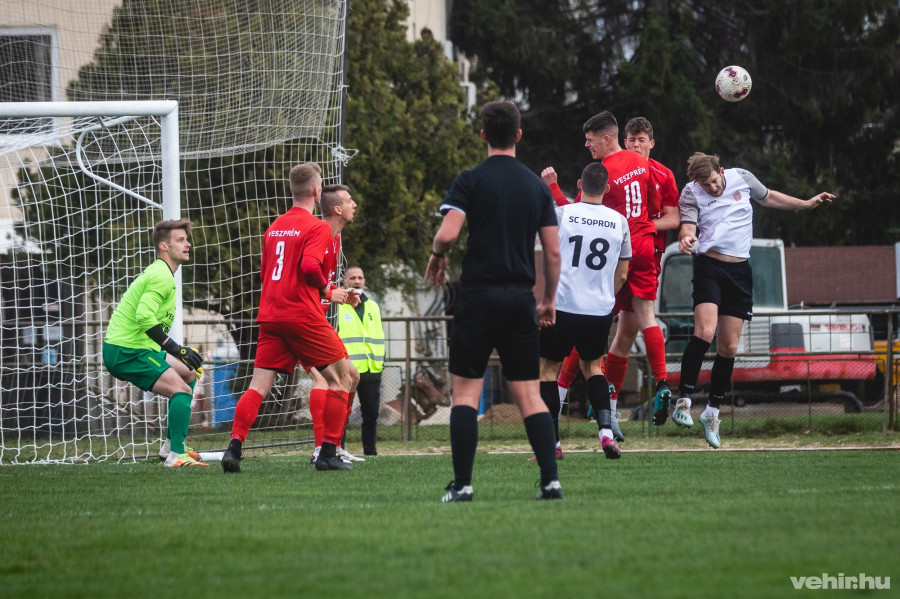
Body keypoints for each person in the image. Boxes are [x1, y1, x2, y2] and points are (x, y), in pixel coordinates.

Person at [425, 100, 562, 502]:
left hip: (478, 298)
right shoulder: (536, 186)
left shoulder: (470, 180)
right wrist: (548, 300)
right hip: (520, 299)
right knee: (529, 394)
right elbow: (553, 253)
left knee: (466, 395)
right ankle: (550, 482)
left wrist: (437, 255)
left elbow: (448, 234)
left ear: (483, 134)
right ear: (518, 134)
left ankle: (463, 485)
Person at [670, 153, 833, 447]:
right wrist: (686, 237)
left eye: (714, 182)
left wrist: (806, 203)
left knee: (729, 347)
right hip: (709, 267)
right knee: (705, 331)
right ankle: (683, 401)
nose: (712, 188)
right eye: (705, 185)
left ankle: (712, 413)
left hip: (740, 272)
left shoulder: (742, 178)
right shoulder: (691, 192)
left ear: (722, 171)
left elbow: (768, 197)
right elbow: (688, 225)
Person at [221, 163, 360, 473]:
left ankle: (234, 448)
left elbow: (264, 274)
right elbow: (310, 267)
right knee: (343, 378)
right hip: (301, 315)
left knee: (258, 386)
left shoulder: (274, 228)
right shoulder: (317, 227)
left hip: (271, 316)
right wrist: (328, 290)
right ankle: (327, 452)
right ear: (316, 192)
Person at [542, 111, 670, 437]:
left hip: (617, 251)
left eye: (590, 140)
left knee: (587, 326)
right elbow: (655, 205)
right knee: (638, 323)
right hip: (644, 246)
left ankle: (564, 399)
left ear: (607, 138)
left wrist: (553, 187)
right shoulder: (641, 162)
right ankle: (658, 384)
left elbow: (576, 213)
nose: (587, 146)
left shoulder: (604, 173)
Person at [538, 162, 631, 459]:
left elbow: (549, 256)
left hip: (563, 305)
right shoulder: (620, 221)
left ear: (579, 185)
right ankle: (605, 434)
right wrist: (605, 298)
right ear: (607, 188)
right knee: (593, 369)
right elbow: (622, 275)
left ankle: (552, 445)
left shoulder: (563, 214)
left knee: (547, 371)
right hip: (598, 309)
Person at [102, 219, 207, 467]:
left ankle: (171, 446)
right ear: (163, 246)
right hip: (127, 350)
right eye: (180, 240)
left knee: (190, 371)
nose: (188, 244)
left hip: (136, 347)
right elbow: (143, 316)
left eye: (186, 239)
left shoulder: (162, 272)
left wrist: (177, 351)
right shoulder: (161, 275)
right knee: (180, 390)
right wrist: (175, 348)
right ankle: (176, 457)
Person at [308, 184, 363, 465]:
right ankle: (322, 448)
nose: (355, 205)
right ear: (338, 208)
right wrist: (330, 293)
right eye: (350, 200)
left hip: (316, 318)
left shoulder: (335, 238)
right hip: (303, 319)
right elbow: (306, 272)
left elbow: (323, 282)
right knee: (325, 379)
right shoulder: (317, 233)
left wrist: (338, 294)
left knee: (351, 376)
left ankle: (334, 445)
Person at [336, 266, 385, 457]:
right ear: (344, 282)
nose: (357, 281)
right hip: (346, 371)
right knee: (342, 414)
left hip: (371, 369)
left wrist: (381, 362)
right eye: (352, 278)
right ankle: (339, 450)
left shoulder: (373, 306)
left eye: (360, 278)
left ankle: (370, 453)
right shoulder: (337, 306)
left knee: (371, 415)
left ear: (364, 281)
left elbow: (378, 336)